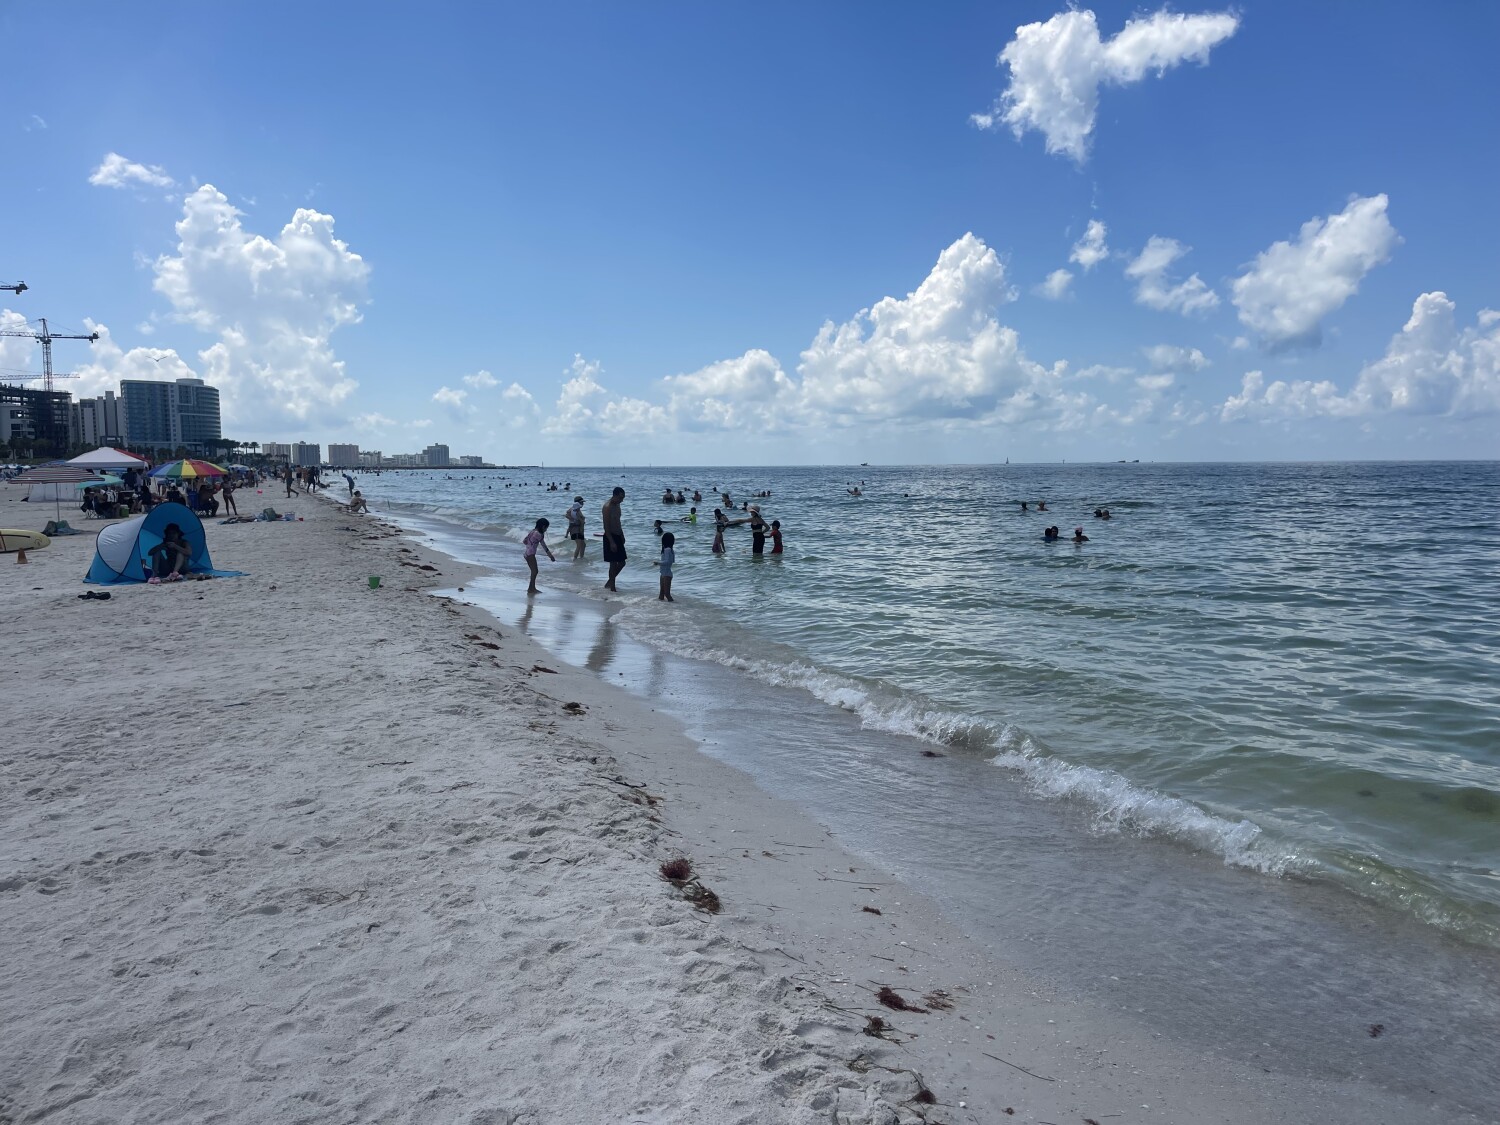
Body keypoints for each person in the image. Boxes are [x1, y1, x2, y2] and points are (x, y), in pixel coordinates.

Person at [602, 486, 627, 591]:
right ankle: (612, 587)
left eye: (623, 498)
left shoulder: (617, 506)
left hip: (618, 535)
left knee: (622, 562)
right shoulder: (607, 507)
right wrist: (611, 542)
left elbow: (618, 522)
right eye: (621, 497)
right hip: (610, 536)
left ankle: (609, 581)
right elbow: (606, 526)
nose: (622, 500)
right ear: (615, 495)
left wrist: (622, 535)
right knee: (613, 563)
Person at [523, 517, 557, 595]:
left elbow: (524, 541)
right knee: (535, 571)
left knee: (534, 571)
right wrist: (551, 556)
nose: (546, 530)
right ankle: (531, 589)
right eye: (546, 528)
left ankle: (531, 588)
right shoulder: (539, 534)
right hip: (531, 554)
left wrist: (531, 544)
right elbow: (544, 546)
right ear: (543, 526)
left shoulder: (532, 531)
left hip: (527, 553)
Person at [657, 531, 676, 602]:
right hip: (664, 573)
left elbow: (667, 562)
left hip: (667, 574)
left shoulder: (667, 550)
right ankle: (661, 608)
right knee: (661, 594)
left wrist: (658, 563)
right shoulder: (670, 550)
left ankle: (674, 605)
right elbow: (672, 561)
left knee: (666, 593)